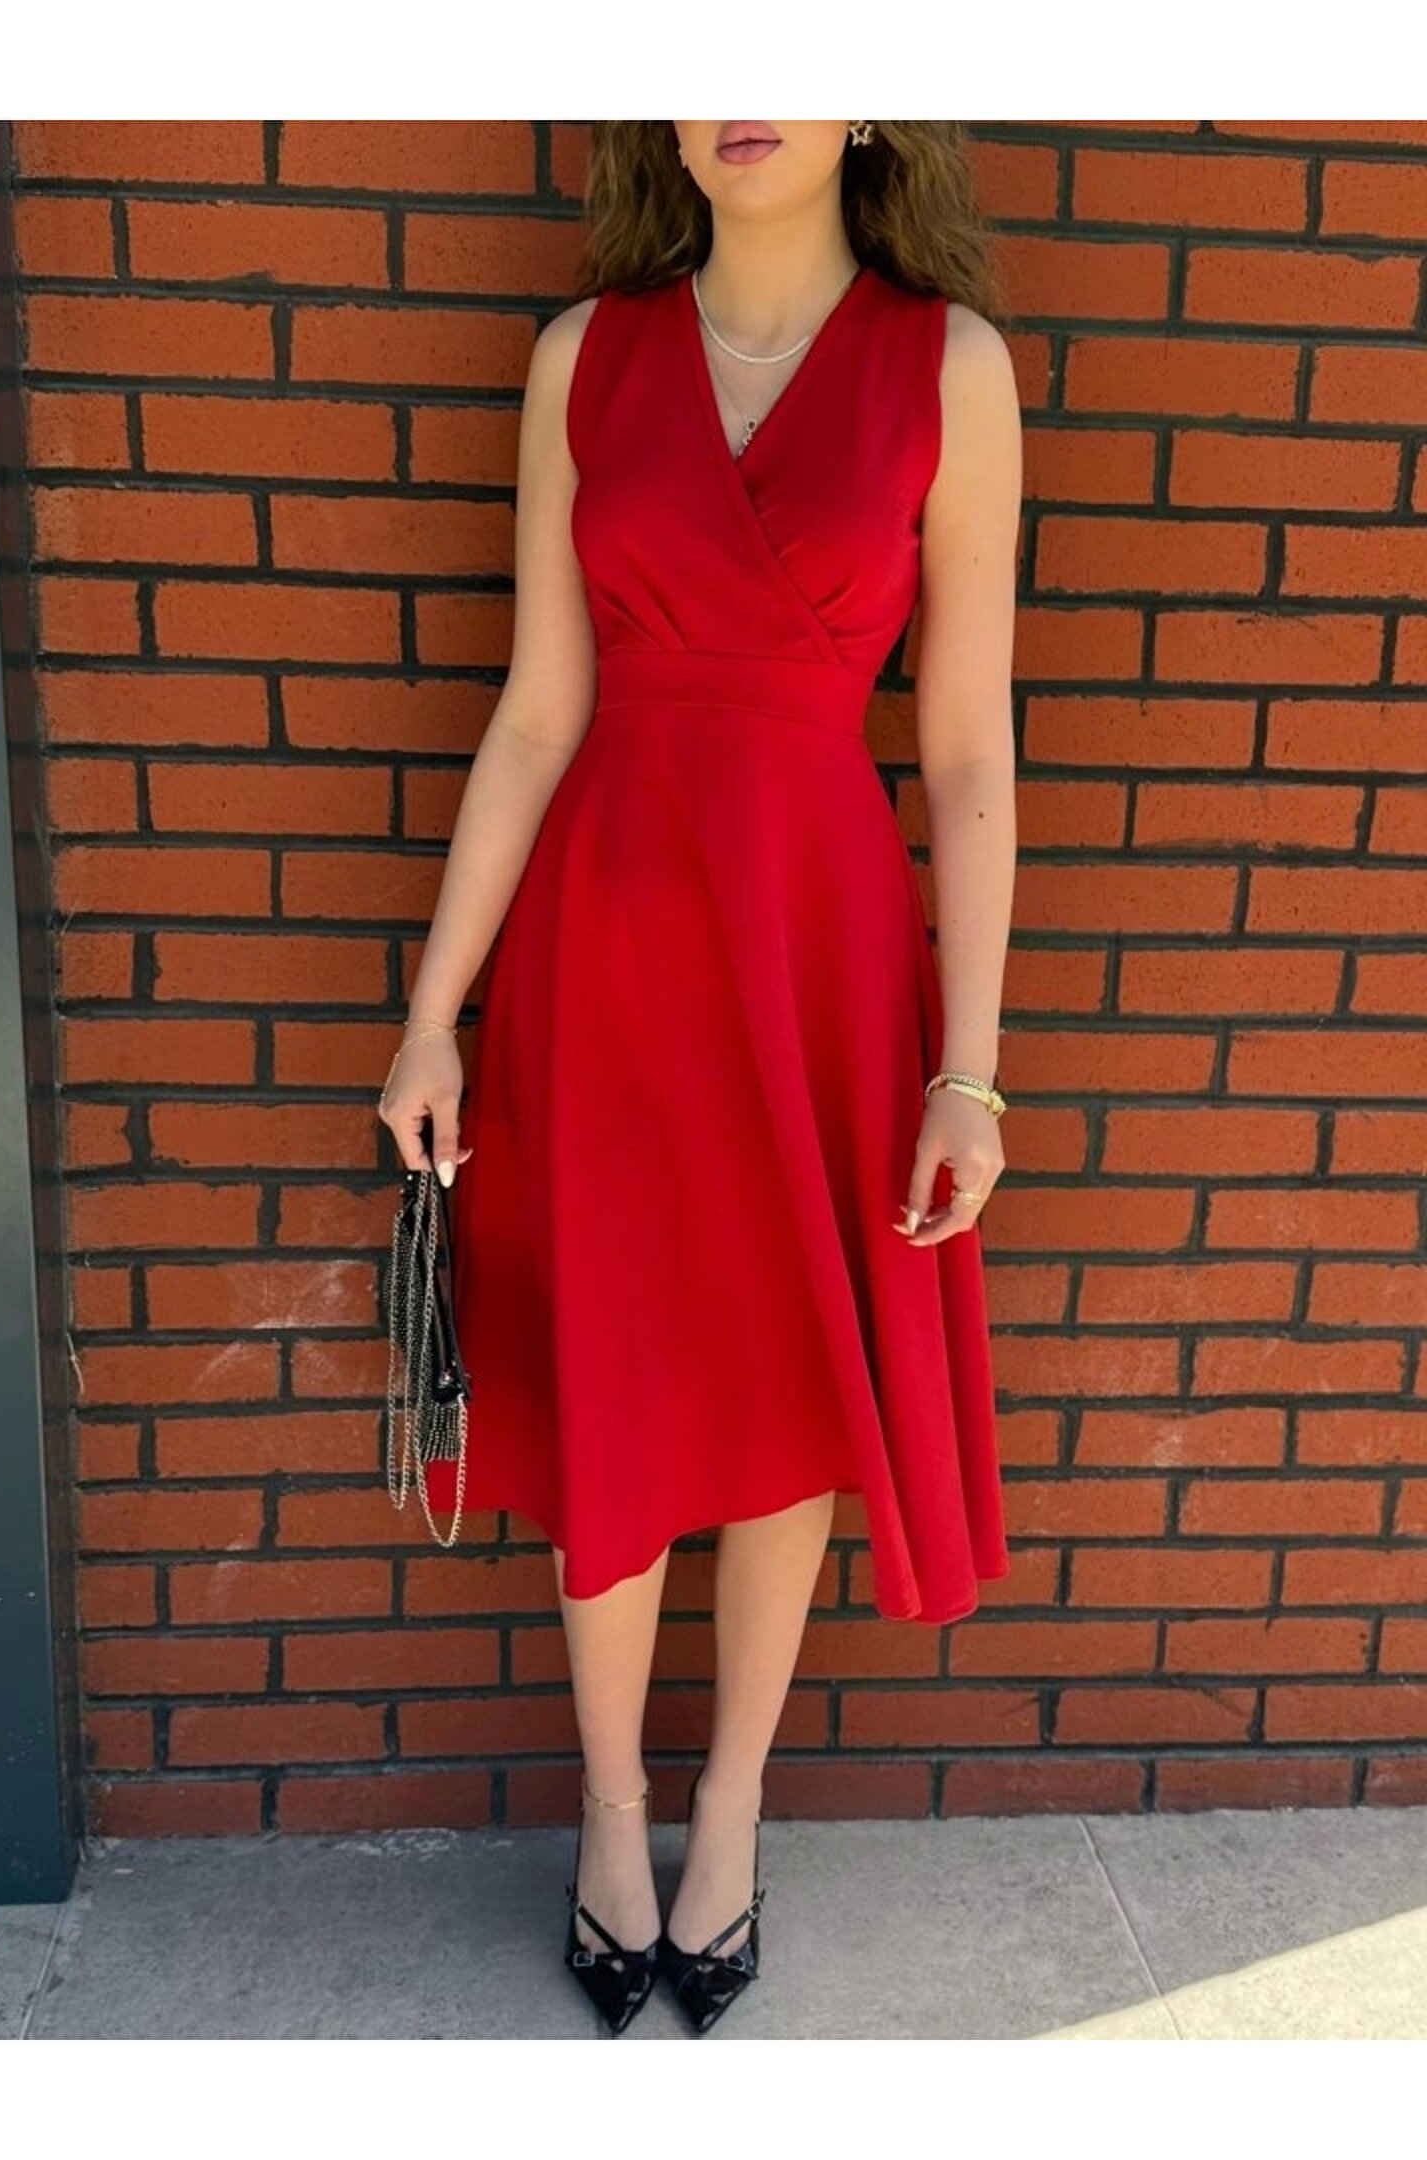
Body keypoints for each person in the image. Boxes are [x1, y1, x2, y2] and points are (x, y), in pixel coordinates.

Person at [377, 119, 1021, 2038]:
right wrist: (433, 1012)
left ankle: (729, 1808)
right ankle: (610, 1810)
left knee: (781, 1380)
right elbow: (536, 711)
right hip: (610, 952)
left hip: (819, 959)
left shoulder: (951, 367)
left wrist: (971, 1071)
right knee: (619, 1374)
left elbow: (967, 749)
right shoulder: (586, 356)